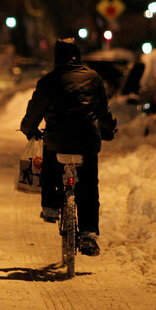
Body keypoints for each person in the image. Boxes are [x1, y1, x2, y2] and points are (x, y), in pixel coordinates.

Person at [20, 38, 116, 256]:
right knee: (90, 184)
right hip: (87, 141)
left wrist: (29, 129)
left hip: (57, 139)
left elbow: (35, 110)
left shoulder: (49, 81)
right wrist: (108, 128)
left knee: (51, 161)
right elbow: (103, 110)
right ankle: (89, 233)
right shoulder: (93, 78)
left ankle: (51, 207)